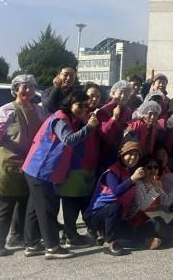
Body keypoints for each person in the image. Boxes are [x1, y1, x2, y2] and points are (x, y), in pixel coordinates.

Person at [22, 89, 98, 260]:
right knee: (47, 210)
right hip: (41, 170)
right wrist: (89, 127)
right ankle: (52, 247)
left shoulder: (68, 118)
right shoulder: (60, 119)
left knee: (34, 208)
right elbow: (69, 140)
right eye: (79, 105)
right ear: (70, 104)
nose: (83, 109)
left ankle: (32, 244)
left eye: (85, 106)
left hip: (36, 168)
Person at [0, 75, 47, 257]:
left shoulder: (39, 111)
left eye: (31, 87)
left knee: (24, 200)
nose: (28, 90)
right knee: (7, 203)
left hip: (28, 162)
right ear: (16, 89)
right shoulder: (7, 110)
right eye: (24, 87)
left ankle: (17, 236)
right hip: (7, 163)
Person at [57, 83, 103, 248]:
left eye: (97, 96)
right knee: (71, 202)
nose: (93, 100)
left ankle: (84, 232)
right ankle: (70, 234)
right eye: (90, 96)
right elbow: (71, 140)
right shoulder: (75, 116)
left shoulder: (98, 115)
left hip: (91, 164)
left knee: (85, 201)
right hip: (74, 165)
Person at [86, 141, 144, 256]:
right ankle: (108, 243)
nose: (133, 157)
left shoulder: (127, 172)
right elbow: (116, 191)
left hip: (114, 217)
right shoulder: (112, 171)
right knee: (115, 207)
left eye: (136, 155)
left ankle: (106, 237)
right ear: (122, 155)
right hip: (96, 215)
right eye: (130, 154)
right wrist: (133, 179)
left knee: (131, 231)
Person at [129, 155, 173, 250]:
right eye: (149, 167)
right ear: (142, 169)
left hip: (155, 218)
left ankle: (160, 239)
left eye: (155, 167)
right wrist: (155, 190)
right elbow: (142, 206)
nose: (153, 170)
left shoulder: (156, 182)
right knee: (157, 221)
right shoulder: (139, 184)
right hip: (141, 223)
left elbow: (166, 202)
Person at [97, 80, 134, 169]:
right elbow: (103, 132)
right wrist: (114, 118)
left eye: (127, 94)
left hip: (120, 151)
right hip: (103, 151)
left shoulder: (128, 110)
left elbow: (126, 128)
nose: (123, 96)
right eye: (120, 92)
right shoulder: (104, 110)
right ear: (113, 93)